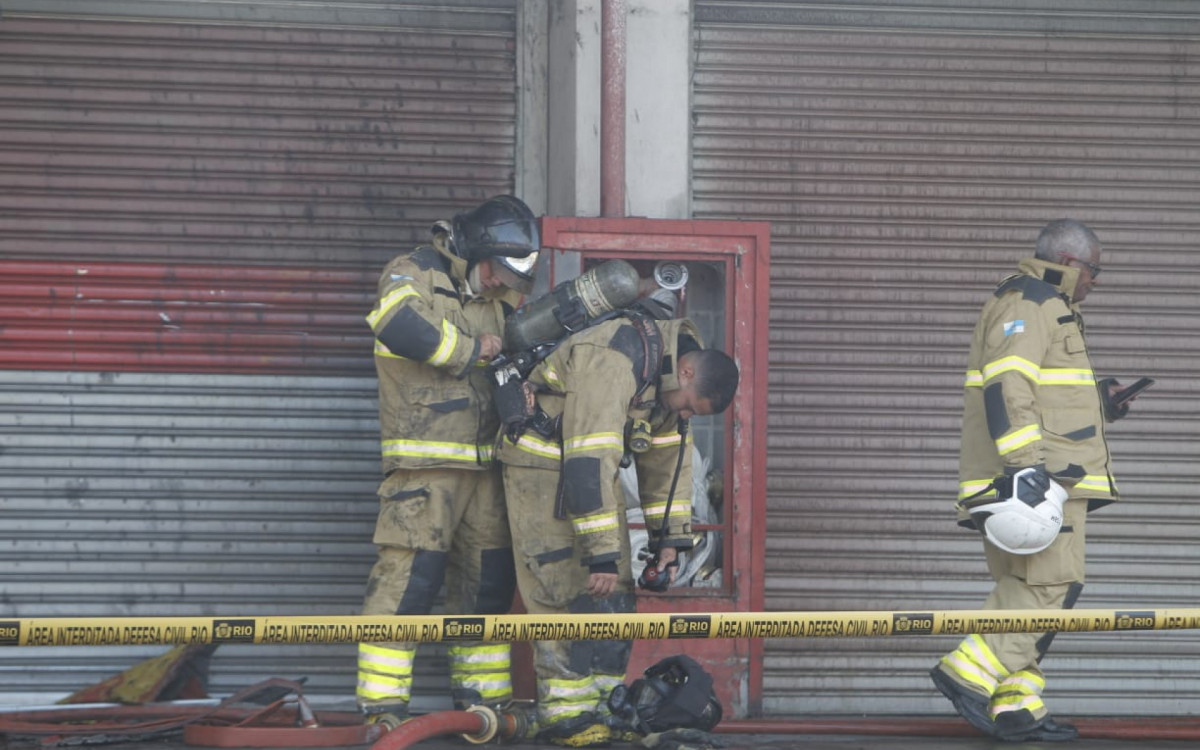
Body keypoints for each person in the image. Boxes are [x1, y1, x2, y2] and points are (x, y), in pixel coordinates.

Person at [496, 309, 739, 748]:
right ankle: (567, 719)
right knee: (563, 591)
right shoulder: (613, 357)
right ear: (686, 371)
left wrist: (670, 543)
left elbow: (669, 463)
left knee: (616, 595)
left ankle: (603, 709)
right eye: (687, 407)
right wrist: (601, 555)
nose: (684, 415)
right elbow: (589, 458)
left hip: (590, 478)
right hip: (542, 468)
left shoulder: (668, 387)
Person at [931, 219, 1133, 743]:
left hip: (1031, 481)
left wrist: (1101, 402)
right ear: (1069, 262)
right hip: (1038, 484)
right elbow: (1008, 385)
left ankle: (1015, 705)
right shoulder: (1032, 304)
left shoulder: (1048, 307)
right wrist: (1028, 470)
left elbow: (1041, 391)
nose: (1096, 279)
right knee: (1052, 588)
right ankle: (967, 673)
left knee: (1025, 590)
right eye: (1095, 269)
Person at [356, 195, 541, 726]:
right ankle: (383, 710)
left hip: (487, 467)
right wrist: (469, 351)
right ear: (479, 247)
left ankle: (484, 708)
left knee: (485, 590)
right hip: (425, 466)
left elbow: (512, 352)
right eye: (495, 270)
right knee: (408, 584)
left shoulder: (499, 296)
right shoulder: (412, 272)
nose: (498, 283)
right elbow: (395, 324)